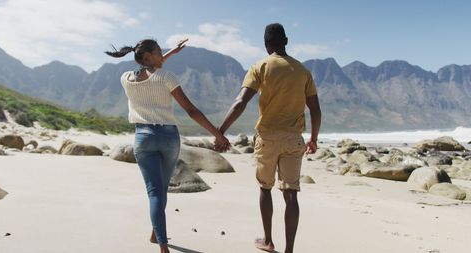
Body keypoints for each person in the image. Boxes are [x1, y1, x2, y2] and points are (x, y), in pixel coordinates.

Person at [106, 38, 230, 253]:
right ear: (147, 56)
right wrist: (218, 135)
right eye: (158, 52)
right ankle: (163, 247)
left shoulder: (125, 78)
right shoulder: (166, 77)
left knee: (155, 192)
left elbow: (148, 71)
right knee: (161, 190)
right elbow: (191, 110)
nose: (162, 55)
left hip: (143, 138)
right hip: (168, 138)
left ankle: (157, 236)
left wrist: (171, 53)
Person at [217, 23, 322, 253]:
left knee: (265, 189)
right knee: (291, 193)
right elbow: (315, 109)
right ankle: (289, 251)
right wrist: (313, 138)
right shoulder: (303, 71)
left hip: (267, 137)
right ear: (286, 41)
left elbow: (241, 101)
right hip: (294, 139)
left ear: (266, 45)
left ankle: (268, 240)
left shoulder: (260, 67)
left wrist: (220, 130)